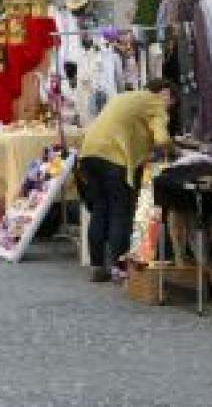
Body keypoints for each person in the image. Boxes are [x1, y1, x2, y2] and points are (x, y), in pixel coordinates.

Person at [76, 79, 174, 282]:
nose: (171, 106)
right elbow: (162, 139)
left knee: (100, 209)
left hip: (88, 154)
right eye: (172, 100)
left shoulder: (125, 96)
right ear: (164, 94)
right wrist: (173, 150)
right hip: (113, 159)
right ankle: (118, 268)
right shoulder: (156, 103)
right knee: (120, 211)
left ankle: (97, 266)